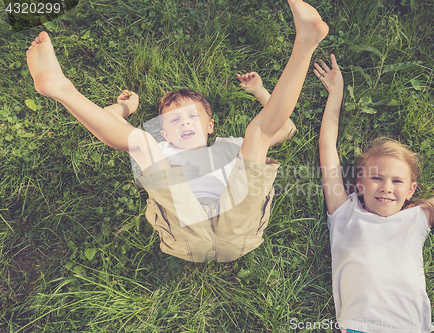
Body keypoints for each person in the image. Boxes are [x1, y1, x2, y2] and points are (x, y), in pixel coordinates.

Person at [25, 0, 328, 262]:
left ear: (210, 126)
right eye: (173, 121)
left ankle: (306, 42)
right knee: (141, 142)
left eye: (192, 118)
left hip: (238, 225)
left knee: (256, 135)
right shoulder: (162, 150)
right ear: (165, 134)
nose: (184, 123)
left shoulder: (231, 146)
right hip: (186, 231)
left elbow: (285, 128)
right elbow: (108, 122)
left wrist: (261, 91)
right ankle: (61, 88)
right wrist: (124, 110)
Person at [314, 54, 434, 333]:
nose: (386, 186)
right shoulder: (344, 212)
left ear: (411, 190)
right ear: (360, 183)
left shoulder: (416, 218)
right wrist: (336, 92)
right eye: (376, 178)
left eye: (397, 181)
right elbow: (327, 146)